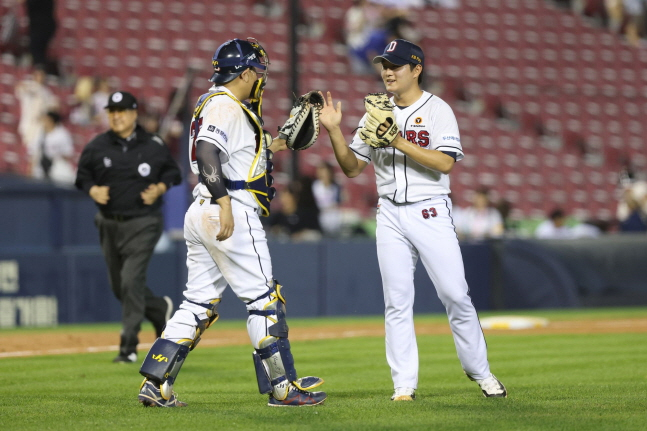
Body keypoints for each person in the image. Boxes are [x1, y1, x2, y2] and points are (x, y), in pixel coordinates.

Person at [136, 38, 327, 408]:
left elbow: (240, 156)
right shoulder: (225, 105)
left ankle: (156, 383)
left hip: (202, 210)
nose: (261, 78)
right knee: (264, 300)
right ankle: (283, 388)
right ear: (243, 73)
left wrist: (279, 143)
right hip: (230, 208)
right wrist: (224, 203)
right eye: (257, 71)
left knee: (196, 302)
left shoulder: (216, 102)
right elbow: (208, 152)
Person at [318, 39, 507, 401]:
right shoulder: (375, 113)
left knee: (455, 295)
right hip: (389, 212)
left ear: (416, 69)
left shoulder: (438, 110)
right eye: (384, 65)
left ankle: (481, 372)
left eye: (396, 65)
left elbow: (445, 162)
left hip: (430, 209)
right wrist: (334, 131)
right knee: (397, 300)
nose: (388, 71)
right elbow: (352, 168)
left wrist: (399, 141)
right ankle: (404, 385)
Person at [75, 91, 181, 363]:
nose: (116, 116)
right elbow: (82, 176)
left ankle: (129, 347)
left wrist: (159, 187)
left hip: (144, 222)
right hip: (109, 222)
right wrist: (92, 189)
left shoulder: (154, 144)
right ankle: (159, 310)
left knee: (131, 279)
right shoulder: (97, 145)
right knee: (119, 286)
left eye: (121, 111)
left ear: (135, 114)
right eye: (112, 111)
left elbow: (173, 173)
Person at [15, 65, 58, 178]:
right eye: (38, 75)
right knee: (25, 151)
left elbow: (55, 106)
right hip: (27, 124)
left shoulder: (47, 92)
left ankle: (30, 177)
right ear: (34, 75)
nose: (40, 77)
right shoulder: (30, 85)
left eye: (42, 75)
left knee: (34, 155)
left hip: (39, 127)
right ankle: (22, 175)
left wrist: (45, 114)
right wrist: (29, 88)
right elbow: (19, 88)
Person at [39, 111, 75, 185]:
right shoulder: (41, 133)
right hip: (43, 165)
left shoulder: (62, 134)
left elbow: (68, 153)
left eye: (46, 120)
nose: (44, 122)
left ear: (51, 121)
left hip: (57, 165)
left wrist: (56, 157)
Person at [312, 161, 344, 237]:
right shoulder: (315, 187)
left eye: (327, 172)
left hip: (334, 220)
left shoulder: (336, 187)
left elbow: (340, 203)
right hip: (319, 220)